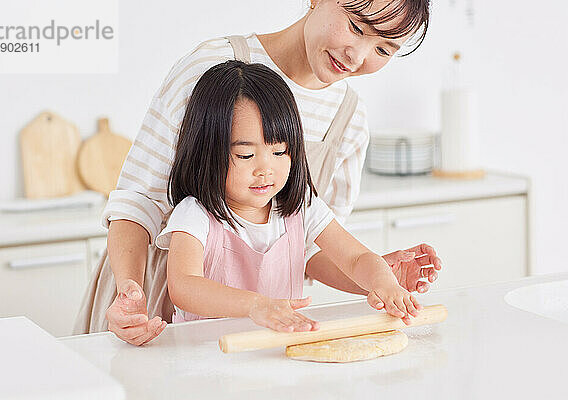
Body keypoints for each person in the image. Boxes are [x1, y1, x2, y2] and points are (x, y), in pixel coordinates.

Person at [74, 0, 442, 345]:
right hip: (149, 296)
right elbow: (139, 201)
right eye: (357, 27)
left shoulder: (350, 119)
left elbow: (308, 248)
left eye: (383, 49)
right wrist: (130, 290)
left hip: (261, 328)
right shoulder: (214, 67)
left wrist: (377, 277)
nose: (357, 56)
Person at [159, 59, 422, 331]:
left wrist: (385, 283)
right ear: (207, 152)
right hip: (207, 358)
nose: (265, 169)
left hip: (278, 354)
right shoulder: (195, 214)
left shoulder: (301, 206)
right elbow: (184, 285)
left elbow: (356, 258)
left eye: (279, 152)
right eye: (246, 155)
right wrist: (255, 305)